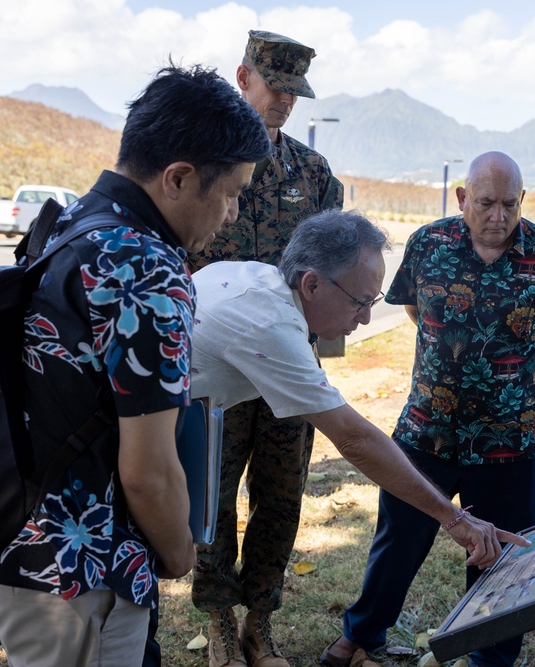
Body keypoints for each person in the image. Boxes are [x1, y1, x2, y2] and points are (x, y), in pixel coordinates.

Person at [0, 64, 270, 666]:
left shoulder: (72, 223)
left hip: (16, 542)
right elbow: (147, 472)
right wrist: (181, 554)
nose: (231, 214)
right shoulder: (146, 268)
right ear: (179, 178)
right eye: (231, 192)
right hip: (79, 571)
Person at [189, 209, 529, 667]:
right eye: (359, 302)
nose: (367, 319)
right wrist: (455, 519)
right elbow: (354, 439)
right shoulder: (268, 325)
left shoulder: (260, 283)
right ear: (311, 284)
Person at [322, 152, 535, 667]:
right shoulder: (429, 244)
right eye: (487, 203)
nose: (498, 215)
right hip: (429, 431)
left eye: (509, 204)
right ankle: (361, 634)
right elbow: (412, 308)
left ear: (522, 200)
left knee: (505, 559)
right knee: (398, 540)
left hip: (518, 439)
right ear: (463, 198)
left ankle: (490, 657)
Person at [186, 29, 345, 667]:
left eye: (292, 91)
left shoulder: (312, 174)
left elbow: (332, 269)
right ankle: (220, 624)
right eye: (272, 85)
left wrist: (322, 353)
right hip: (216, 369)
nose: (282, 100)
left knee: (281, 495)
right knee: (214, 496)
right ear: (242, 77)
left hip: (285, 365)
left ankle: (260, 622)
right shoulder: (203, 166)